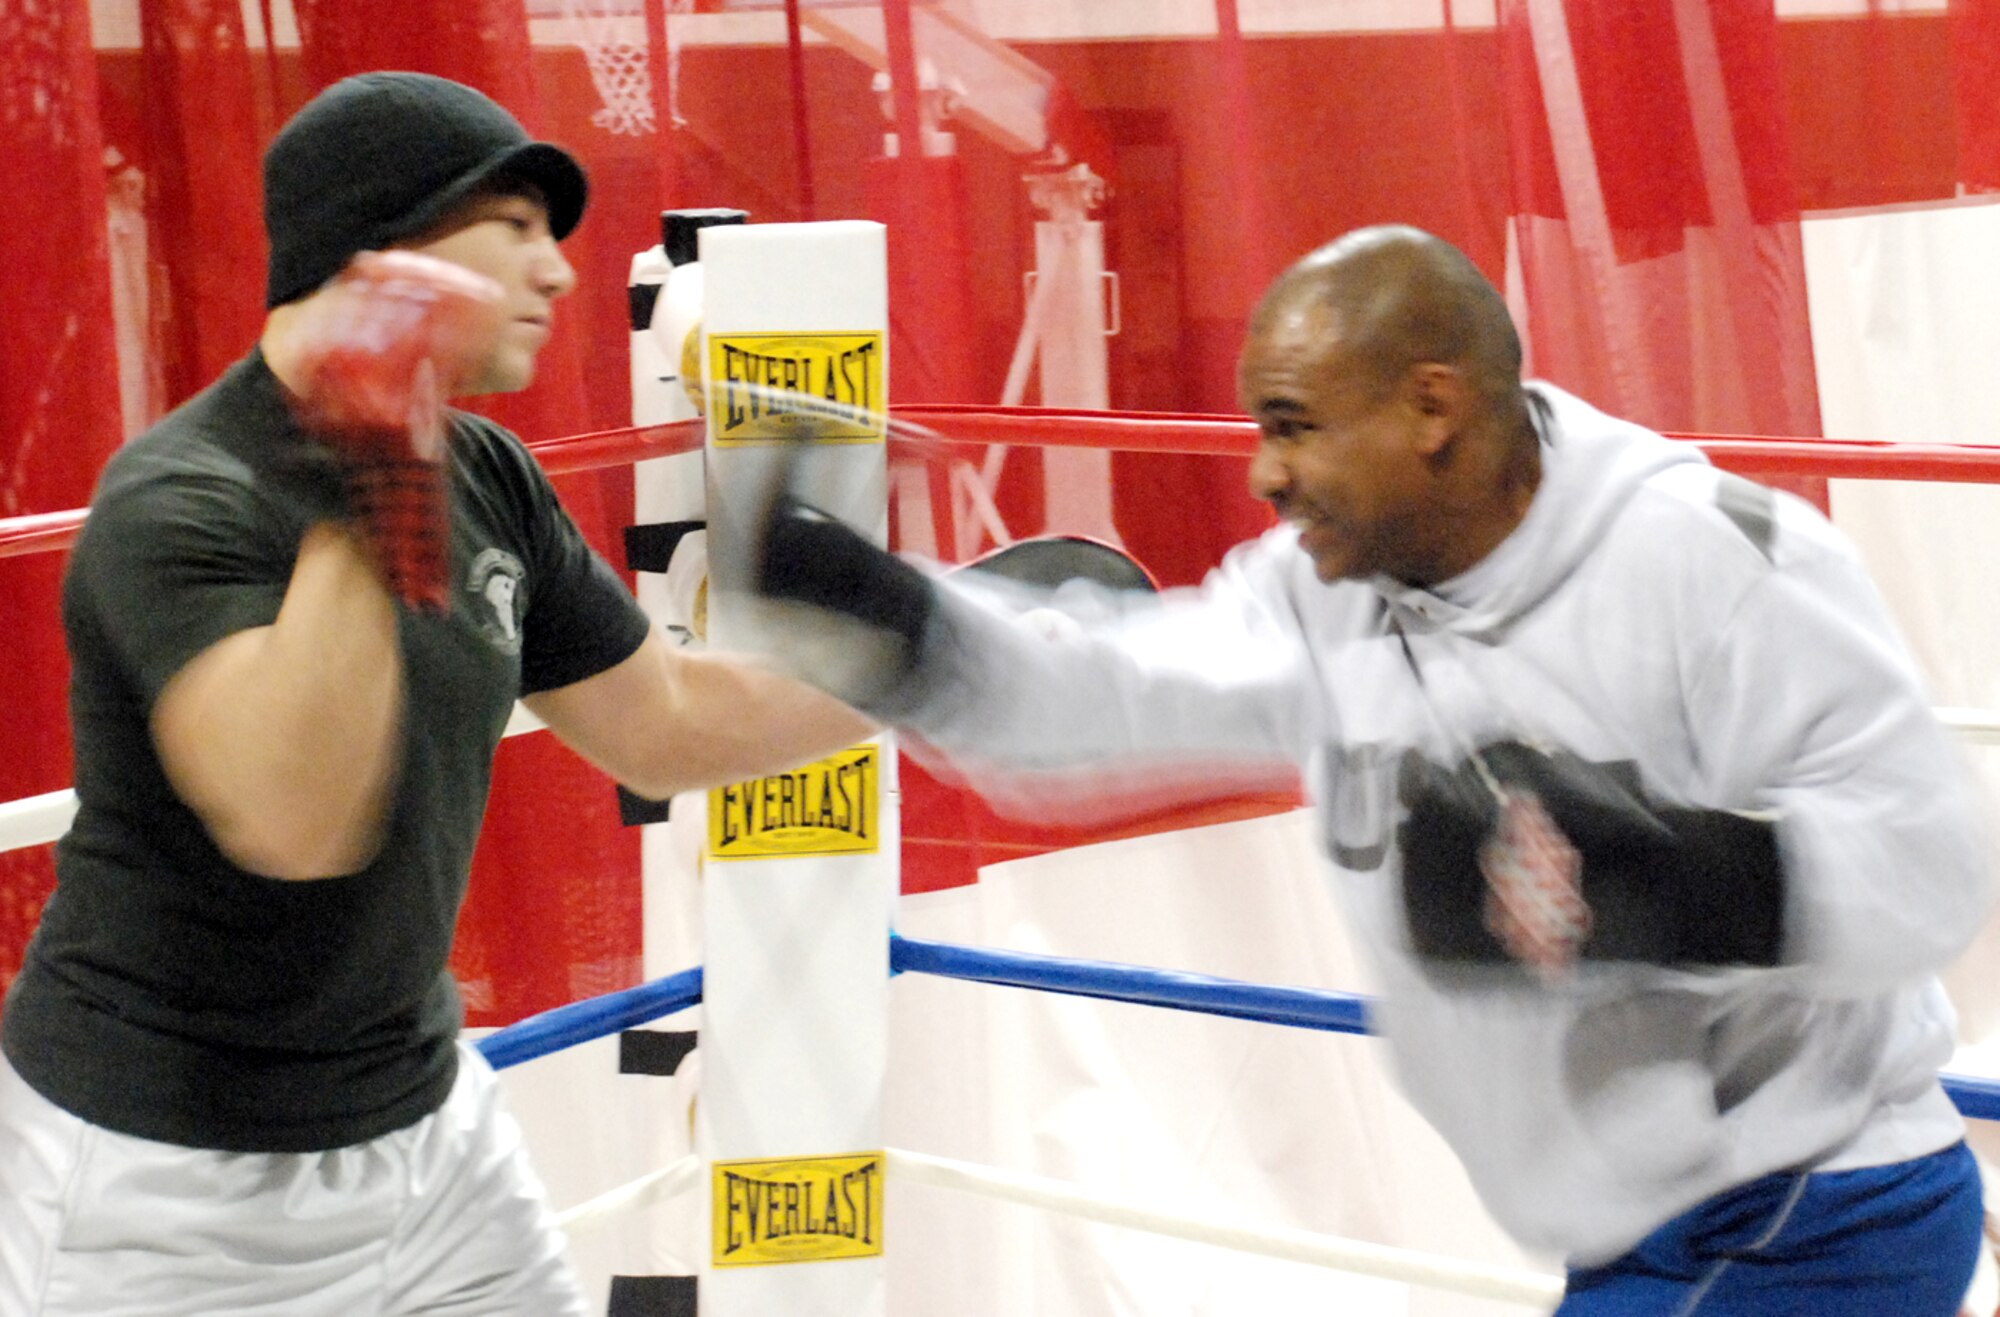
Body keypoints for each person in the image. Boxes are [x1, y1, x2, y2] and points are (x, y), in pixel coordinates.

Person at [745, 225, 1998, 1312]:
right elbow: (1116, 695)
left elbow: (1931, 861)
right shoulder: (1327, 596)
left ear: (1431, 408)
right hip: (1643, 1233)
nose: (1263, 472)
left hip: (1817, 1212)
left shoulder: (1713, 565)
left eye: (1294, 427)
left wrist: (1660, 880)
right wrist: (899, 627)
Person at [0, 72, 873, 1315]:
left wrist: (924, 665)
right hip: (162, 1173)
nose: (560, 271)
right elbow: (297, 821)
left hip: (427, 1134)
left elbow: (661, 723)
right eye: (512, 226)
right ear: (381, 251)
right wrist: (378, 457)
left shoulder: (482, 470)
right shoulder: (182, 501)